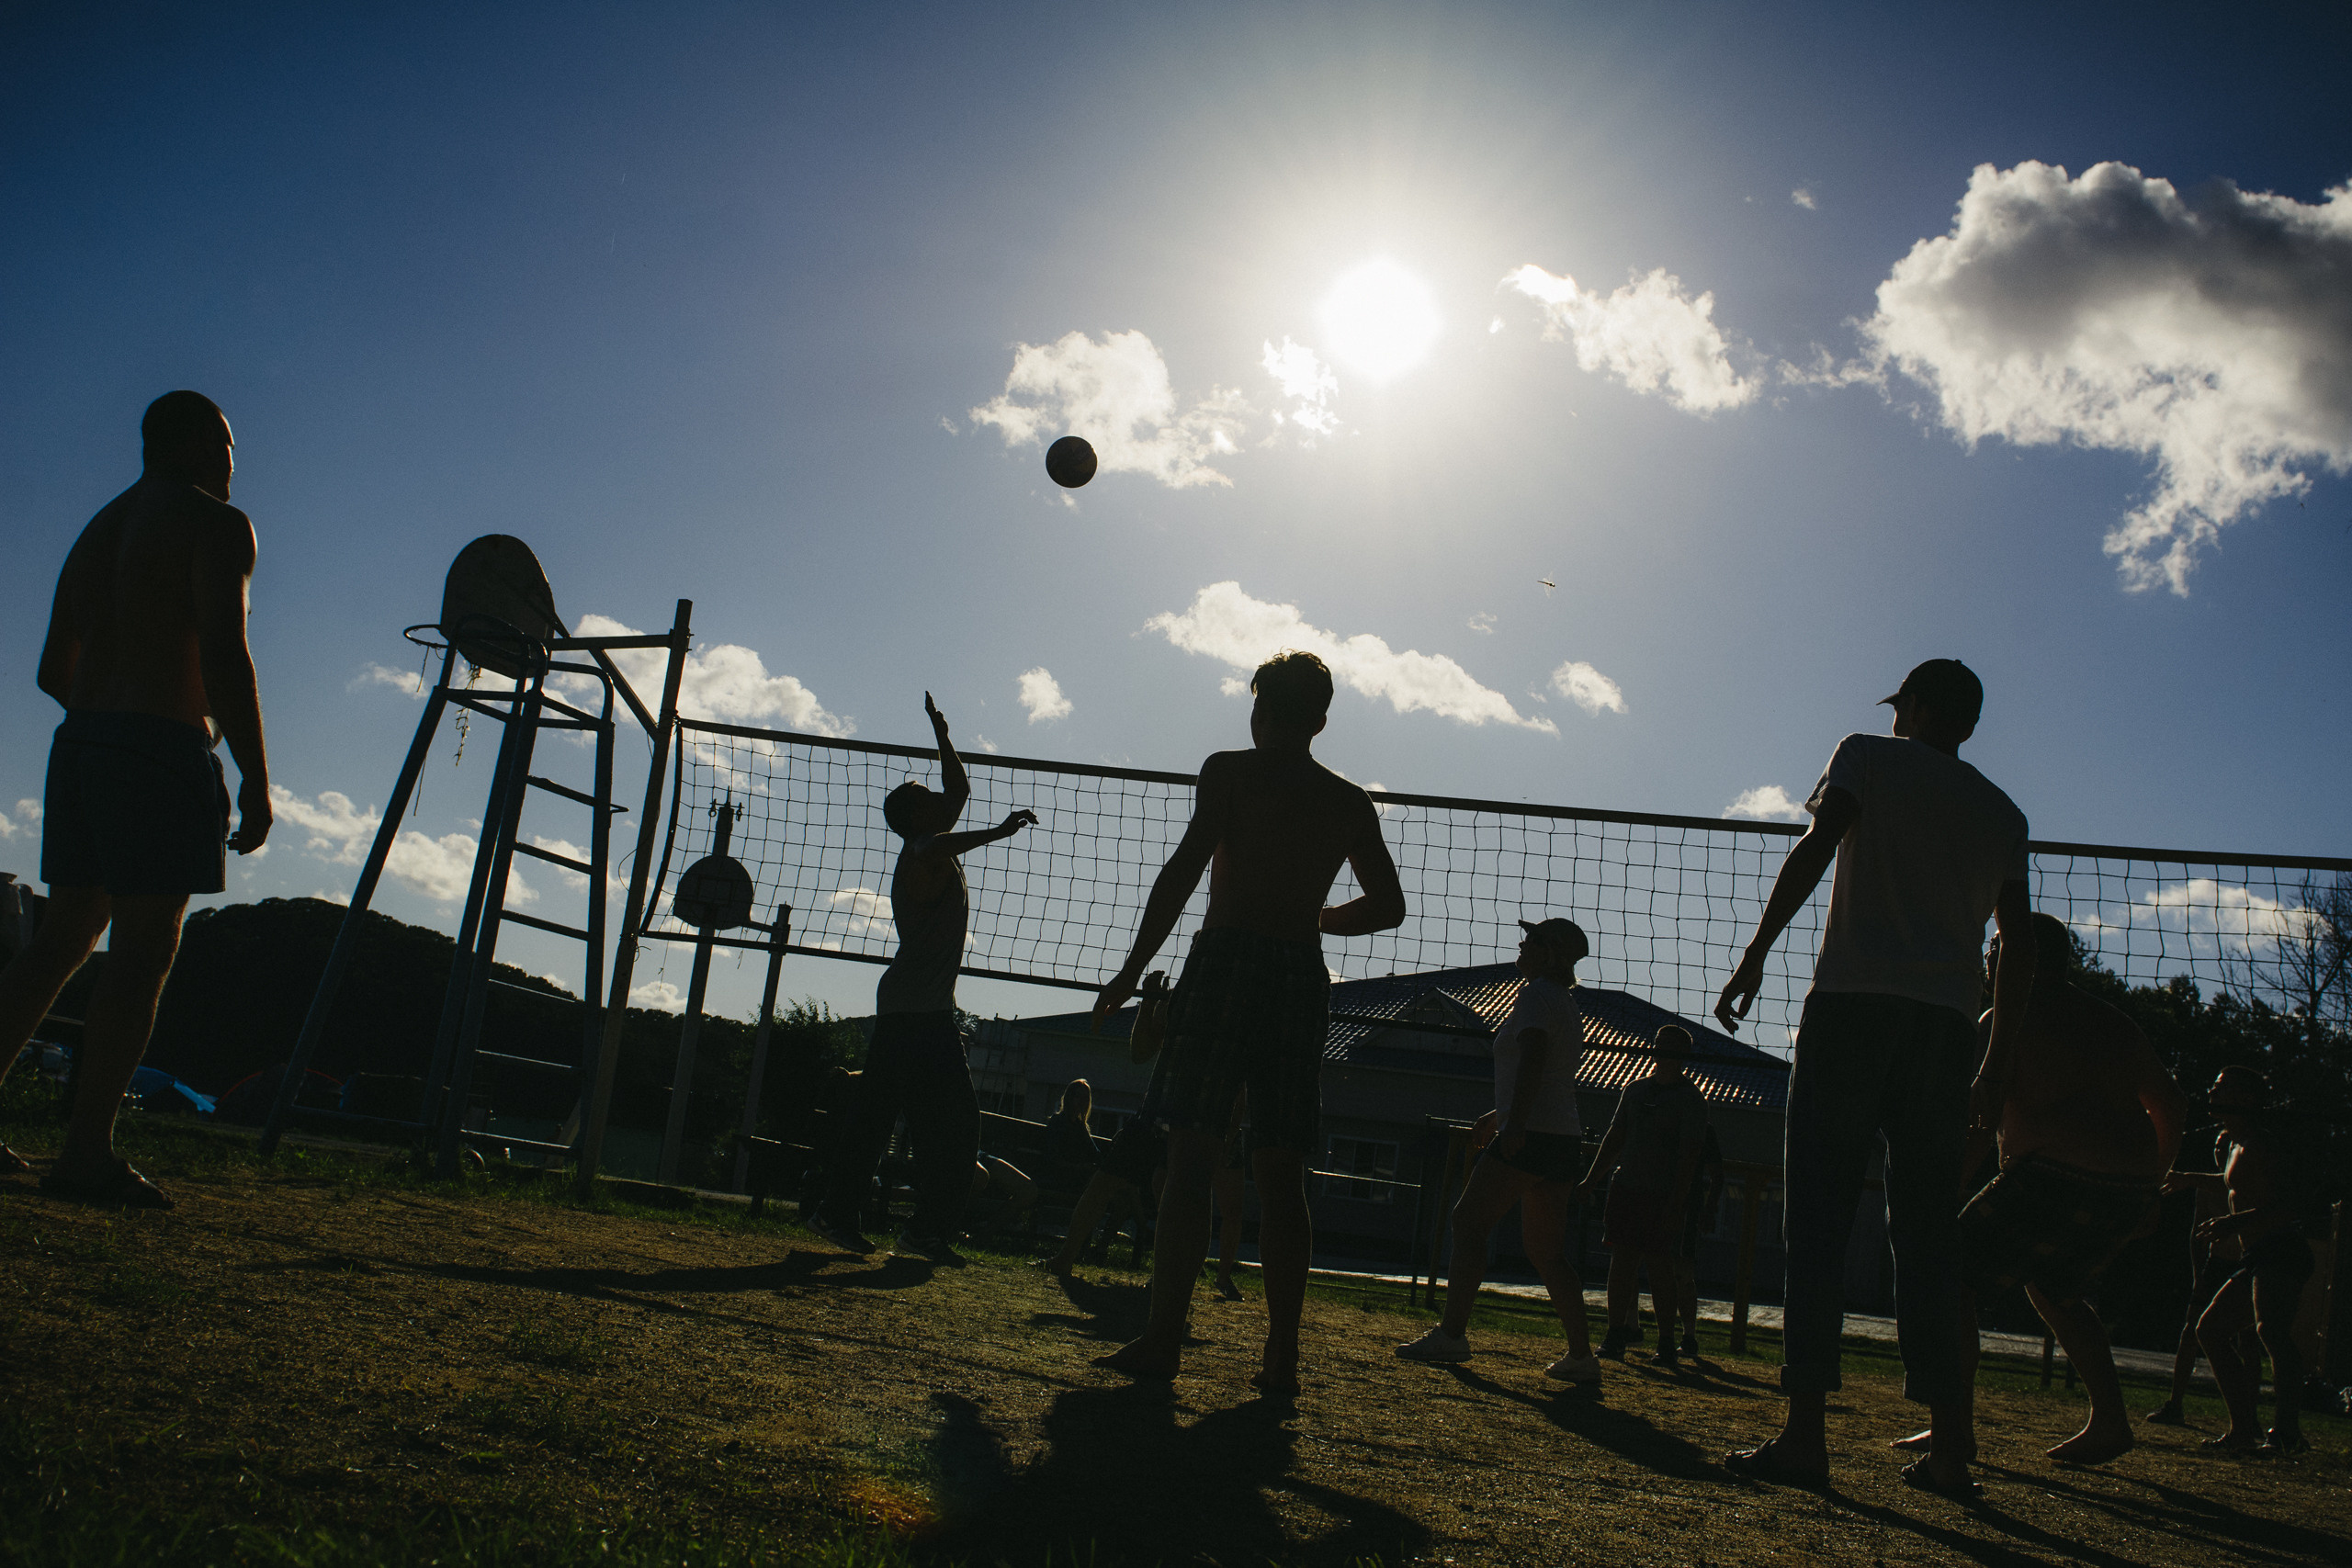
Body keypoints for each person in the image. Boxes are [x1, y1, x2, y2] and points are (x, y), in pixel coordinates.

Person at [1714, 659, 2032, 1495]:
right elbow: (2020, 941)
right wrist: (1996, 1061)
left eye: (1903, 707)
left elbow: (1818, 846)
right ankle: (1952, 1448)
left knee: (1817, 1217)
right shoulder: (2003, 812)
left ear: (1918, 708)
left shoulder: (1864, 754)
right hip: (1948, 1026)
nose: (1895, 719)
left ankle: (1805, 1435)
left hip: (1854, 1004)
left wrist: (1754, 955)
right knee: (1929, 1233)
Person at [1090, 650, 1406, 1395]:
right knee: (1281, 1168)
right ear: (1321, 718)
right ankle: (1281, 1358)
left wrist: (1134, 969)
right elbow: (1389, 907)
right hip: (1299, 975)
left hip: (1228, 961)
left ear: (1260, 709)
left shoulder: (1230, 770)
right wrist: (1315, 915)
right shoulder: (1347, 802)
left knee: (1191, 1157)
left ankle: (1165, 1339)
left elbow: (1182, 871)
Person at [0, 392, 271, 1206]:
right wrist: (253, 773)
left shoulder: (99, 529)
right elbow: (227, 651)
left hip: (81, 741)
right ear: (188, 443)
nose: (234, 459)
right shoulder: (215, 525)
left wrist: (107, 714)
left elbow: (55, 668)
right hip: (157, 747)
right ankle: (84, 1151)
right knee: (145, 946)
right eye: (226, 442)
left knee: (60, 940)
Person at [1894, 913, 2184, 1464]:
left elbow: (1982, 1119)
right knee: (2058, 1291)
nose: (1986, 960)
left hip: (2053, 1177)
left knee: (1947, 1271)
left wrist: (1943, 1196)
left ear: (2019, 957)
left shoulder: (2004, 1019)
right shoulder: (2114, 1021)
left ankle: (1952, 1427)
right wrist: (2153, 1187)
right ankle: (2111, 1422)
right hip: (2124, 1187)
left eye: (1995, 950)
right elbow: (2173, 1104)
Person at [808, 694, 1035, 1262]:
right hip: (915, 1013)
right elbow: (949, 833)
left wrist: (942, 731)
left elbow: (958, 792)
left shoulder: (931, 846)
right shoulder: (922, 854)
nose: (941, 800)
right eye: (927, 799)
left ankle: (868, 1220)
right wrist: (1000, 832)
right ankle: (909, 1229)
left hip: (919, 1010)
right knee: (947, 1123)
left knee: (895, 1118)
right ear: (915, 817)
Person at [1395, 918, 1600, 1382]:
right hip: (1563, 1137)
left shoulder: (1534, 996)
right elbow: (1548, 1074)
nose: (1522, 945)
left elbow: (1532, 1059)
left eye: (1531, 941)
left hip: (1533, 1134)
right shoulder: (1565, 1002)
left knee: (1468, 1222)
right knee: (1547, 1252)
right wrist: (1499, 1115)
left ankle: (1451, 1336)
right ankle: (1583, 1358)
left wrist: (1516, 1124)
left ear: (1549, 954)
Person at [2163, 1066, 2314, 1455]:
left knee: (2271, 1333)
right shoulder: (2234, 1143)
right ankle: (2243, 1433)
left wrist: (2235, 1221)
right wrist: (2188, 1178)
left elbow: (2288, 1207)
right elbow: (2233, 1184)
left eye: (2220, 1086)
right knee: (2209, 1330)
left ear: (2245, 1098)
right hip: (2257, 1254)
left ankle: (2287, 1434)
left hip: (2281, 1250)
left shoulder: (2263, 1144)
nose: (2211, 1092)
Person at [1578, 1025, 1709, 1368]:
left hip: (1661, 1195)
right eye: (1658, 1045)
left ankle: (1666, 1343)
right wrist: (1591, 1180)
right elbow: (1614, 1137)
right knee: (1621, 1264)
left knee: (1660, 1268)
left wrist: (1676, 1204)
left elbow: (1689, 1158)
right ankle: (1615, 1335)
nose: (1662, 1052)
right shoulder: (1635, 1091)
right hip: (1628, 1188)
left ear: (1683, 1056)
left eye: (1670, 1047)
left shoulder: (1692, 1100)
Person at [2143, 1127, 2245, 1427]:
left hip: (2240, 1264)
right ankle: (2175, 1403)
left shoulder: (2241, 1182)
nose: (2218, 1151)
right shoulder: (2206, 1186)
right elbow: (2197, 1235)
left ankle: (2246, 1415)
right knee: (2191, 1332)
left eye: (2224, 1146)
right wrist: (2198, 1274)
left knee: (2246, 1340)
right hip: (2215, 1265)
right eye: (2216, 1145)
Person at [1674, 1122, 1726, 1359]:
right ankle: (1685, 1335)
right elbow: (1717, 1175)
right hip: (1677, 1203)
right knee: (1677, 1272)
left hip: (1684, 1206)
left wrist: (1709, 1208)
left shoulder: (1699, 1125)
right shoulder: (1699, 1124)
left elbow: (1717, 1174)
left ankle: (1687, 1335)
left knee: (1682, 1272)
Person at [1210, 1091, 1250, 1302]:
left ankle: (1224, 1276)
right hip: (1201, 1126)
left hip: (1224, 1131)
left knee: (1233, 1212)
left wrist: (1230, 1136)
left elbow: (1240, 1100)